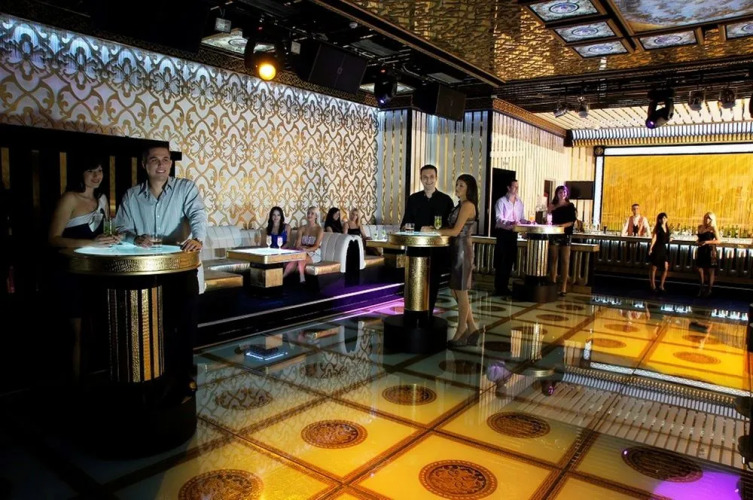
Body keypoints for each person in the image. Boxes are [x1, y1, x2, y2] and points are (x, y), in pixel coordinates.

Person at [113, 144, 207, 381]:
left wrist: (197, 238)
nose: (161, 164)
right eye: (155, 160)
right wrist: (134, 238)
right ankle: (155, 377)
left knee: (185, 324)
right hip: (146, 271)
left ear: (171, 164)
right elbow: (120, 228)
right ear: (144, 165)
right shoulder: (132, 196)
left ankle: (184, 378)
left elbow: (198, 214)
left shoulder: (185, 188)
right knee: (152, 327)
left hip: (181, 269)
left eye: (165, 159)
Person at [48, 159, 121, 381]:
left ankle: (94, 380)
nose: (97, 175)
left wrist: (112, 238)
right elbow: (53, 239)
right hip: (70, 273)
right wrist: (91, 243)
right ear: (80, 173)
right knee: (76, 333)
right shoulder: (70, 198)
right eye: (91, 170)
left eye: (100, 170)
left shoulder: (102, 199)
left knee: (94, 331)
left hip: (95, 272)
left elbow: (104, 234)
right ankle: (76, 386)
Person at [423, 174, 482, 347]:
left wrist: (433, 231)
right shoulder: (460, 205)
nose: (457, 188)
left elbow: (456, 231)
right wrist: (435, 228)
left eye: (461, 185)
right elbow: (451, 228)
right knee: (456, 291)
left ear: (469, 189)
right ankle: (472, 328)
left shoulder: (468, 205)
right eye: (457, 184)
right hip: (456, 250)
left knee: (461, 292)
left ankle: (461, 330)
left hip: (462, 251)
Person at [401, 164, 454, 312]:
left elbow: (451, 227)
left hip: (437, 252)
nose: (428, 180)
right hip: (416, 251)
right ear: (420, 178)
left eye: (431, 177)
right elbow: (405, 225)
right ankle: (413, 314)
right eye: (425, 177)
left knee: (433, 284)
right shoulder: (413, 199)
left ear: (436, 178)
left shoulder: (446, 200)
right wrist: (420, 229)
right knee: (413, 284)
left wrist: (435, 231)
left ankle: (429, 314)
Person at [494, 178, 528, 296]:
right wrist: (510, 222)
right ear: (508, 187)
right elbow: (499, 219)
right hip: (503, 233)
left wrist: (527, 222)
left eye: (518, 187)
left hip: (513, 234)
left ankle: (505, 286)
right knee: (502, 260)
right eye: (514, 186)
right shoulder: (501, 202)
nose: (517, 189)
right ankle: (499, 287)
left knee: (509, 260)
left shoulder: (519, 203)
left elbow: (521, 218)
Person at [548, 185, 577, 296]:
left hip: (566, 234)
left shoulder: (570, 206)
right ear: (556, 193)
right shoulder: (553, 205)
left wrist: (561, 226)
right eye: (560, 192)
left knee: (565, 260)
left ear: (566, 194)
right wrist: (549, 211)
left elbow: (572, 221)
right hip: (554, 234)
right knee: (553, 259)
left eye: (564, 192)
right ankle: (553, 283)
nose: (562, 194)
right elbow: (548, 219)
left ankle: (563, 287)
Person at [283, 206, 323, 283]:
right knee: (297, 258)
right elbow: (297, 245)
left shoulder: (319, 229)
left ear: (316, 216)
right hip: (301, 251)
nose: (309, 215)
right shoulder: (302, 228)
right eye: (308, 213)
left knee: (300, 258)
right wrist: (302, 249)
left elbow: (316, 246)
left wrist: (306, 250)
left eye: (312, 213)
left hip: (314, 252)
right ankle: (291, 277)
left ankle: (290, 277)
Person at [695, 212, 720, 297]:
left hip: (710, 250)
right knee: (699, 269)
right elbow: (700, 238)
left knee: (710, 271)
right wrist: (698, 241)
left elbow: (718, 240)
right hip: (701, 249)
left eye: (709, 218)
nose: (707, 219)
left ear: (712, 219)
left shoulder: (713, 228)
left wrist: (706, 242)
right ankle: (701, 287)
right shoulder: (700, 227)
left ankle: (709, 289)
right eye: (706, 217)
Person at [648, 212, 671, 293]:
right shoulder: (658, 228)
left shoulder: (667, 228)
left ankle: (661, 285)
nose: (663, 220)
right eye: (661, 218)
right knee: (654, 267)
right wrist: (651, 248)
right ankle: (653, 285)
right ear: (659, 220)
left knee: (665, 267)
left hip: (664, 249)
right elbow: (654, 238)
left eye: (665, 218)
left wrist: (670, 239)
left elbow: (666, 239)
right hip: (657, 248)